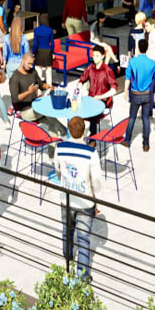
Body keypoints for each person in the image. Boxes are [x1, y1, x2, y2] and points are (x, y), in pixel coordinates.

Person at [55, 115, 105, 279]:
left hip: (66, 198)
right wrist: (98, 203)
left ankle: (67, 257)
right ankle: (82, 276)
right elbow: (96, 180)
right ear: (84, 131)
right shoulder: (91, 153)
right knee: (83, 239)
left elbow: (58, 170)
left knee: (66, 231)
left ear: (68, 131)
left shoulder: (59, 149)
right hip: (85, 201)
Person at [124, 35, 155, 153]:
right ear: (147, 49)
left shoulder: (132, 62)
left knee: (132, 117)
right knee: (146, 118)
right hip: (147, 94)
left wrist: (125, 91)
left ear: (138, 48)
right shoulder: (152, 63)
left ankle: (127, 140)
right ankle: (145, 144)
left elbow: (128, 78)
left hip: (135, 94)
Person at [7, 51, 46, 119]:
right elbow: (15, 99)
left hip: (35, 106)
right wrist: (29, 92)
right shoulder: (15, 78)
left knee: (53, 122)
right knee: (49, 112)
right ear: (23, 60)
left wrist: (47, 86)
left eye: (32, 64)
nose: (30, 66)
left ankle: (65, 130)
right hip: (25, 111)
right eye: (29, 63)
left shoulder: (33, 72)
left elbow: (41, 85)